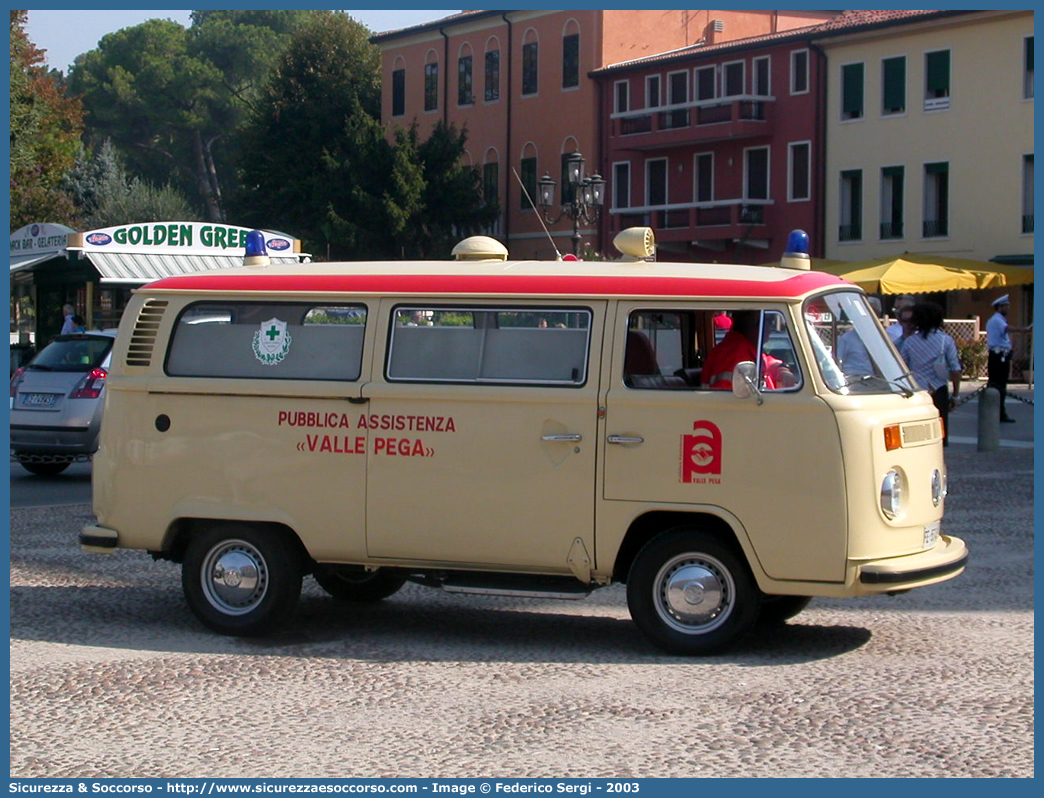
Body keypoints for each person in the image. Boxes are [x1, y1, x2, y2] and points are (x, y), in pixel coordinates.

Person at [898, 302, 962, 446]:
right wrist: (956, 394)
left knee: (917, 430)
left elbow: (902, 367)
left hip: (916, 389)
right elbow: (955, 369)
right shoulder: (945, 340)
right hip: (939, 388)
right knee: (940, 430)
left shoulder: (909, 342)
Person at [702, 310, 796, 390]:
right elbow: (726, 400)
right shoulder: (734, 354)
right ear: (753, 322)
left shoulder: (744, 348)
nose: (771, 326)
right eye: (770, 320)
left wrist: (782, 369)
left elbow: (765, 360)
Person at [986, 294, 1019, 423]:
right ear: (1000, 307)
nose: (1009, 308)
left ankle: (996, 411)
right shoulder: (997, 320)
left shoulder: (997, 319)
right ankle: (998, 413)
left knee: (997, 384)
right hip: (999, 356)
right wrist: (1024, 330)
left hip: (1000, 355)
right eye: (1007, 306)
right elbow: (1007, 329)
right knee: (999, 385)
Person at [837, 296, 882, 377]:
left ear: (877, 315)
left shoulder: (883, 339)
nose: (866, 316)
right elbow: (837, 362)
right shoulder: (847, 339)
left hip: (881, 382)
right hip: (856, 381)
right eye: (864, 312)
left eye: (871, 313)